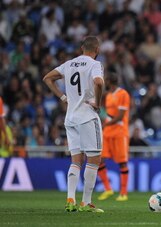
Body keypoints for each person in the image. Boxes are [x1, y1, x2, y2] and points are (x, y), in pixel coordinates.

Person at [43, 36, 104, 212]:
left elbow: (47, 78)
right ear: (97, 50)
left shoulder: (69, 64)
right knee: (94, 159)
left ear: (81, 48)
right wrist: (98, 104)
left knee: (76, 160)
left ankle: (70, 199)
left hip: (70, 118)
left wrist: (63, 97)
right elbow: (99, 82)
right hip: (87, 117)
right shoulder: (95, 65)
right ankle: (85, 202)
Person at [97, 72, 130, 202]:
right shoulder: (108, 95)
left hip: (120, 133)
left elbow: (121, 116)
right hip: (108, 133)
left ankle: (123, 193)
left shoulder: (123, 94)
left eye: (106, 81)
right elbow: (108, 113)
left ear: (110, 81)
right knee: (99, 159)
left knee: (122, 162)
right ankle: (108, 189)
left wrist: (106, 124)